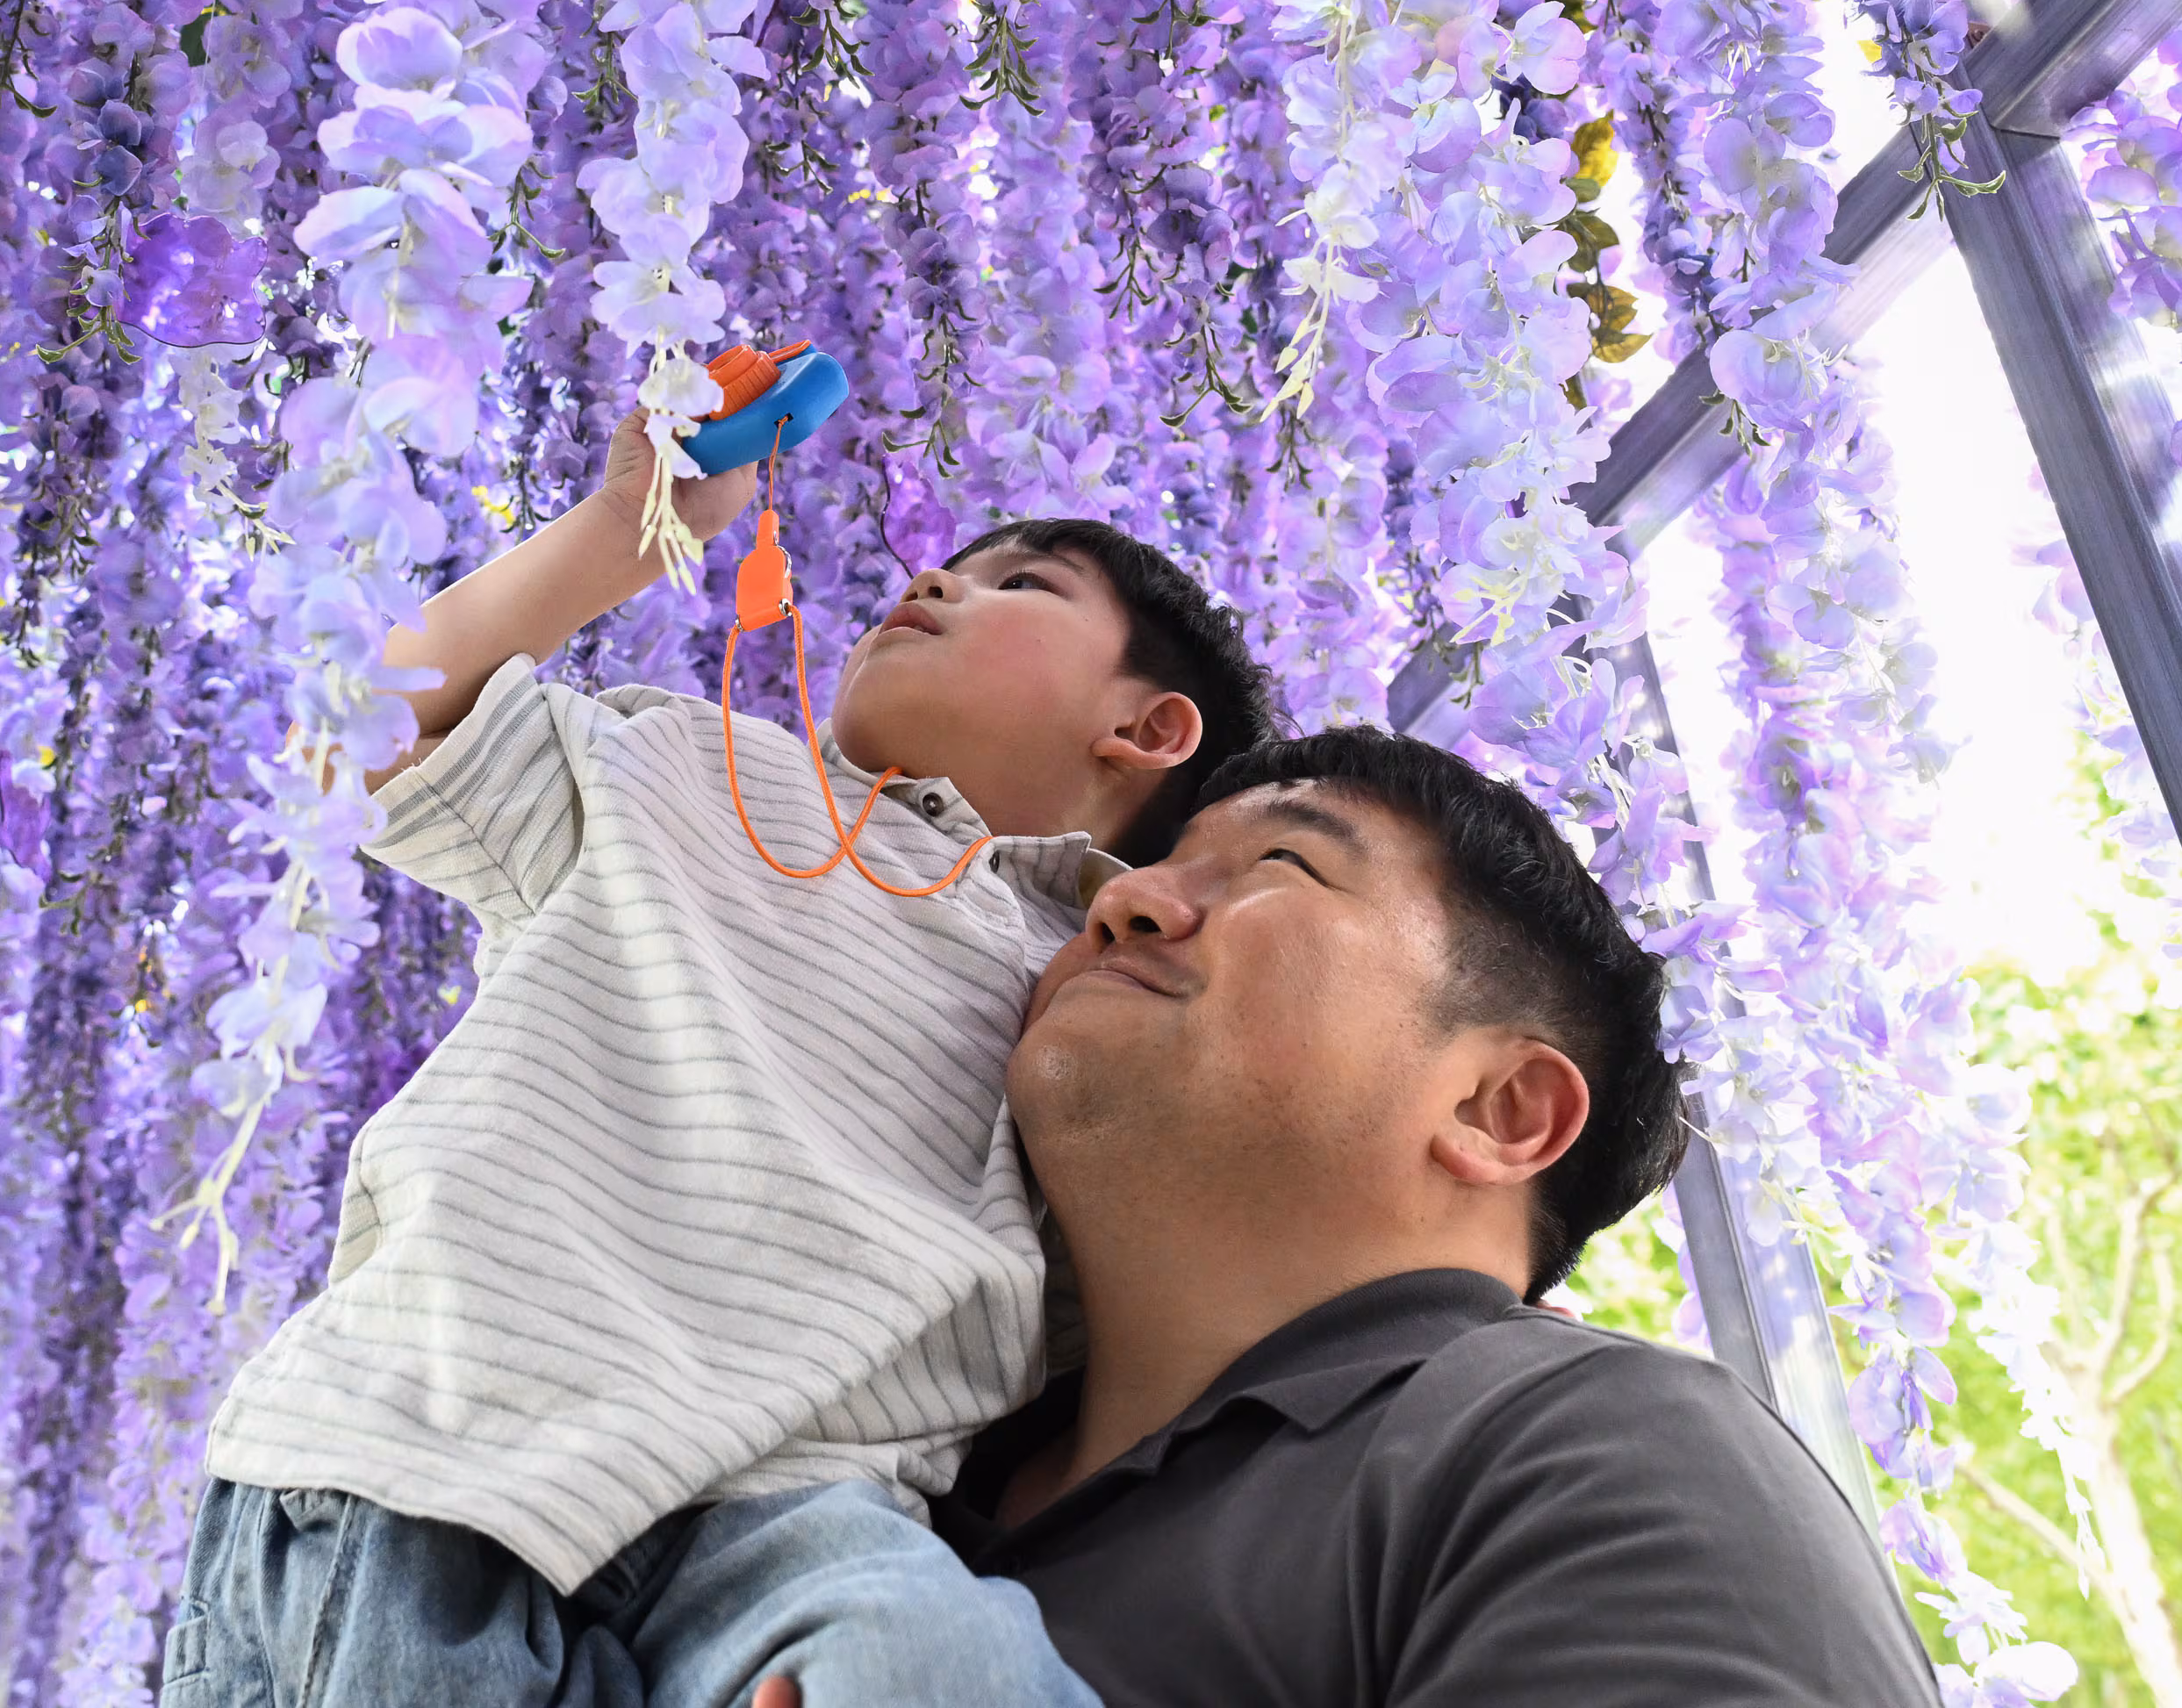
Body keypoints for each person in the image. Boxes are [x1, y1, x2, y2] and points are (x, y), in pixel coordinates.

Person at [162, 410, 1277, 1706]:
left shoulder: (1107, 980)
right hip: (446, 1443)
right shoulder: (684, 768)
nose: (931, 579)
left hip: (802, 1503)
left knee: (952, 1667)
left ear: (1148, 730)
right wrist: (624, 530)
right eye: (948, 567)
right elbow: (360, 728)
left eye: (1020, 583)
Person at [757, 727, 1942, 1708]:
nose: (1121, 898)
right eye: (1158, 862)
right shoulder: (866, 1423)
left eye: (1279, 864)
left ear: (1499, 1109)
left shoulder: (1586, 1446)